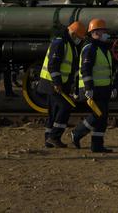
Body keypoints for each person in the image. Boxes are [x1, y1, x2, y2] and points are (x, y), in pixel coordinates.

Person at [72, 18, 115, 153]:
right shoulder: (89, 48)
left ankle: (97, 145)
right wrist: (88, 88)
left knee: (103, 117)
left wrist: (112, 87)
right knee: (98, 115)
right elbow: (86, 69)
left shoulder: (103, 49)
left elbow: (108, 71)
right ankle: (77, 132)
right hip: (93, 89)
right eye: (103, 31)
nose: (106, 34)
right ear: (95, 32)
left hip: (104, 89)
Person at [40, 20, 85, 148]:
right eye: (79, 37)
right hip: (53, 83)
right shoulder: (60, 43)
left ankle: (49, 138)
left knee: (54, 111)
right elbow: (53, 65)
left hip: (56, 83)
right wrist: (57, 83)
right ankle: (54, 137)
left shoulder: (69, 44)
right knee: (65, 107)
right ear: (73, 33)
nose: (80, 40)